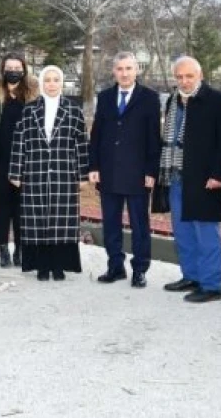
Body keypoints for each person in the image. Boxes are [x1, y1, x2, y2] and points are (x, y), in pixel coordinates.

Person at [153, 56, 221, 303]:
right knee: (183, 231)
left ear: (201, 75)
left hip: (204, 178)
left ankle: (211, 285)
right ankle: (191, 276)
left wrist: (219, 174)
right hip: (176, 175)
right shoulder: (173, 101)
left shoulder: (218, 101)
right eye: (179, 77)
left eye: (189, 76)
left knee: (206, 232)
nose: (184, 81)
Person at [9, 65, 90, 280]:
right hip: (34, 173)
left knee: (60, 220)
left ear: (61, 83)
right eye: (48, 80)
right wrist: (16, 173)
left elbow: (81, 145)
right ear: (42, 83)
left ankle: (59, 265)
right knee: (37, 219)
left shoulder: (74, 111)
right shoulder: (29, 110)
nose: (52, 84)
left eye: (56, 80)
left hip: (64, 174)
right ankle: (42, 266)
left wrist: (83, 176)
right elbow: (19, 142)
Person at [89, 52, 161, 288]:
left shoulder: (149, 98)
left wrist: (151, 171)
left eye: (129, 68)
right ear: (114, 71)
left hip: (138, 174)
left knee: (140, 225)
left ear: (136, 70)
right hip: (108, 172)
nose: (124, 73)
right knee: (111, 222)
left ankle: (140, 269)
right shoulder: (105, 97)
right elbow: (97, 134)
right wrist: (94, 166)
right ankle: (115, 266)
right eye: (120, 69)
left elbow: (153, 138)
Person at [0, 53, 38, 267]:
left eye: (18, 67)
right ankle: (3, 250)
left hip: (25, 160)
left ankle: (20, 249)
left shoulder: (33, 96)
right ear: (3, 69)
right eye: (9, 67)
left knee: (21, 208)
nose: (14, 70)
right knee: (1, 208)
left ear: (24, 69)